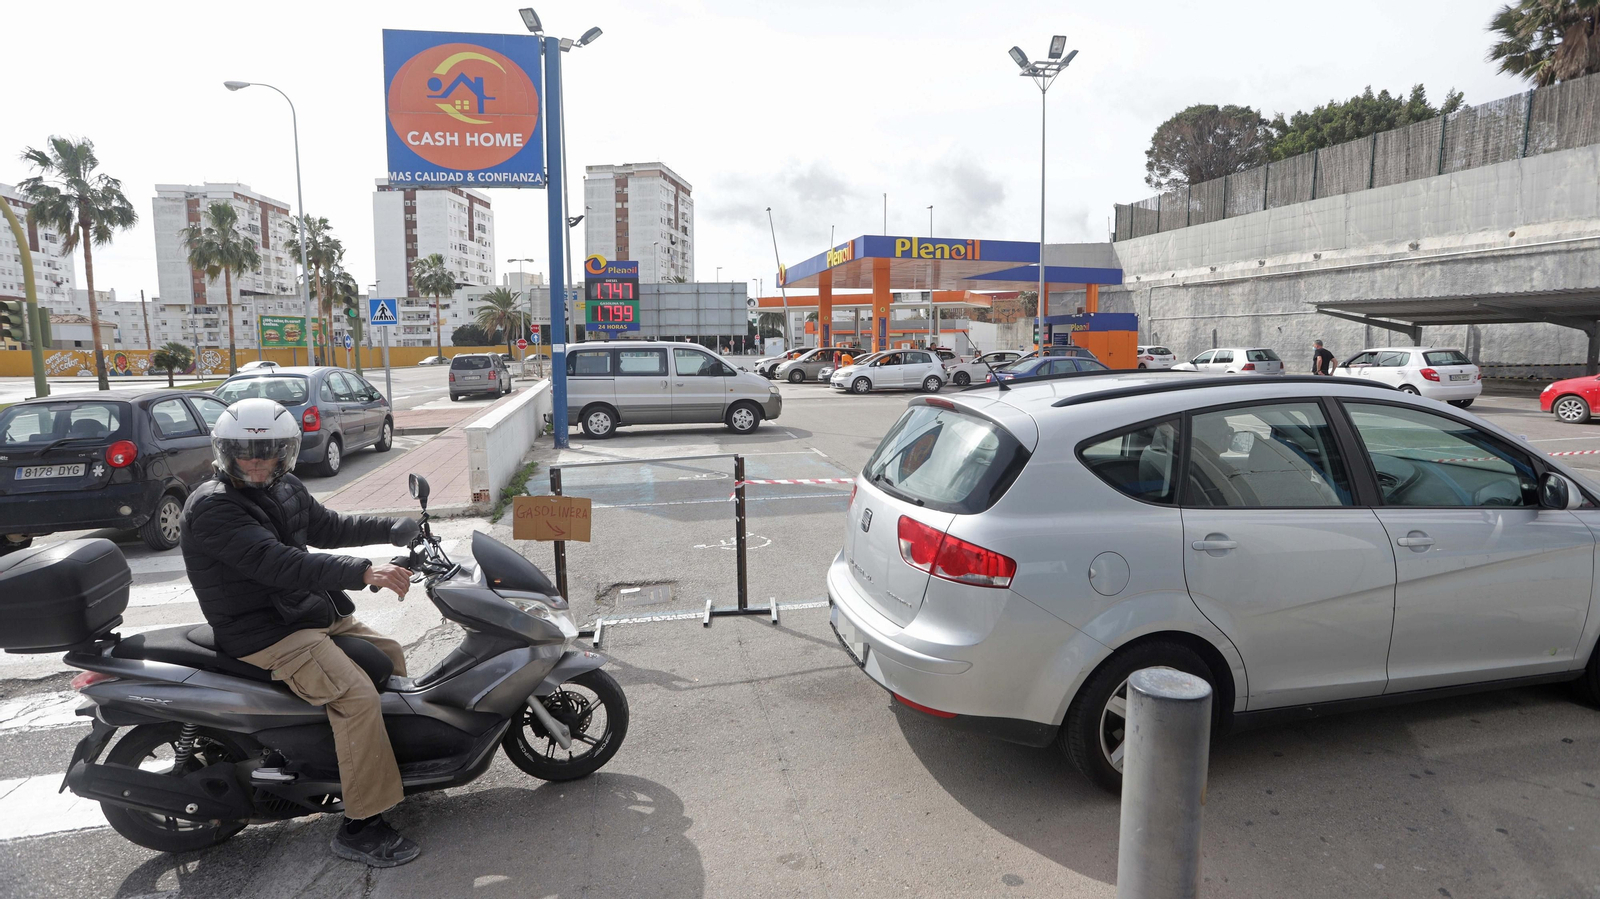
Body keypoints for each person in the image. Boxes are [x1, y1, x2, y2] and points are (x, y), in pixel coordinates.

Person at [180, 398, 422, 868]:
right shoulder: (213, 508)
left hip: (299, 612)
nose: (256, 461)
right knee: (356, 697)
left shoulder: (284, 485)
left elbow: (326, 526)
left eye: (267, 451)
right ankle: (361, 825)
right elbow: (278, 564)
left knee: (390, 653)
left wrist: (391, 528)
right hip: (264, 630)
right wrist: (364, 571)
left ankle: (388, 769)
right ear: (225, 452)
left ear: (284, 453)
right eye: (244, 452)